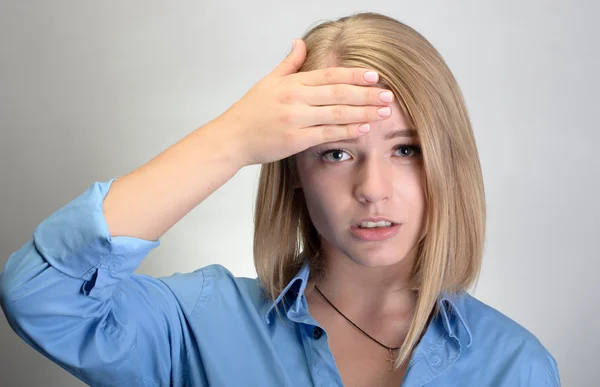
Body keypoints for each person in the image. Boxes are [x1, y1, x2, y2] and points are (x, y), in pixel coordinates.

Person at [0, 11, 560, 387]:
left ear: (447, 161)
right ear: (292, 168)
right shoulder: (201, 326)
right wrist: (233, 139)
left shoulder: (517, 366)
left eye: (407, 150)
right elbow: (42, 294)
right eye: (335, 153)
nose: (372, 189)